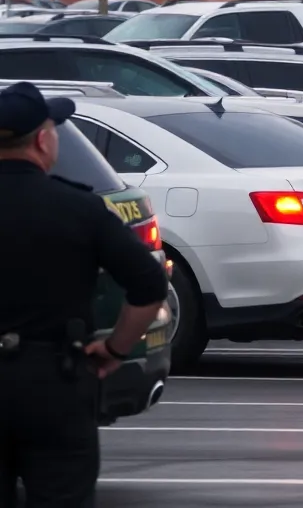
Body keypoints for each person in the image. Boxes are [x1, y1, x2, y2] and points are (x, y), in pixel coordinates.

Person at [0, 82, 168, 506]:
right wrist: (114, 349)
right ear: (43, 141)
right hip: (52, 381)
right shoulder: (79, 208)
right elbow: (149, 285)